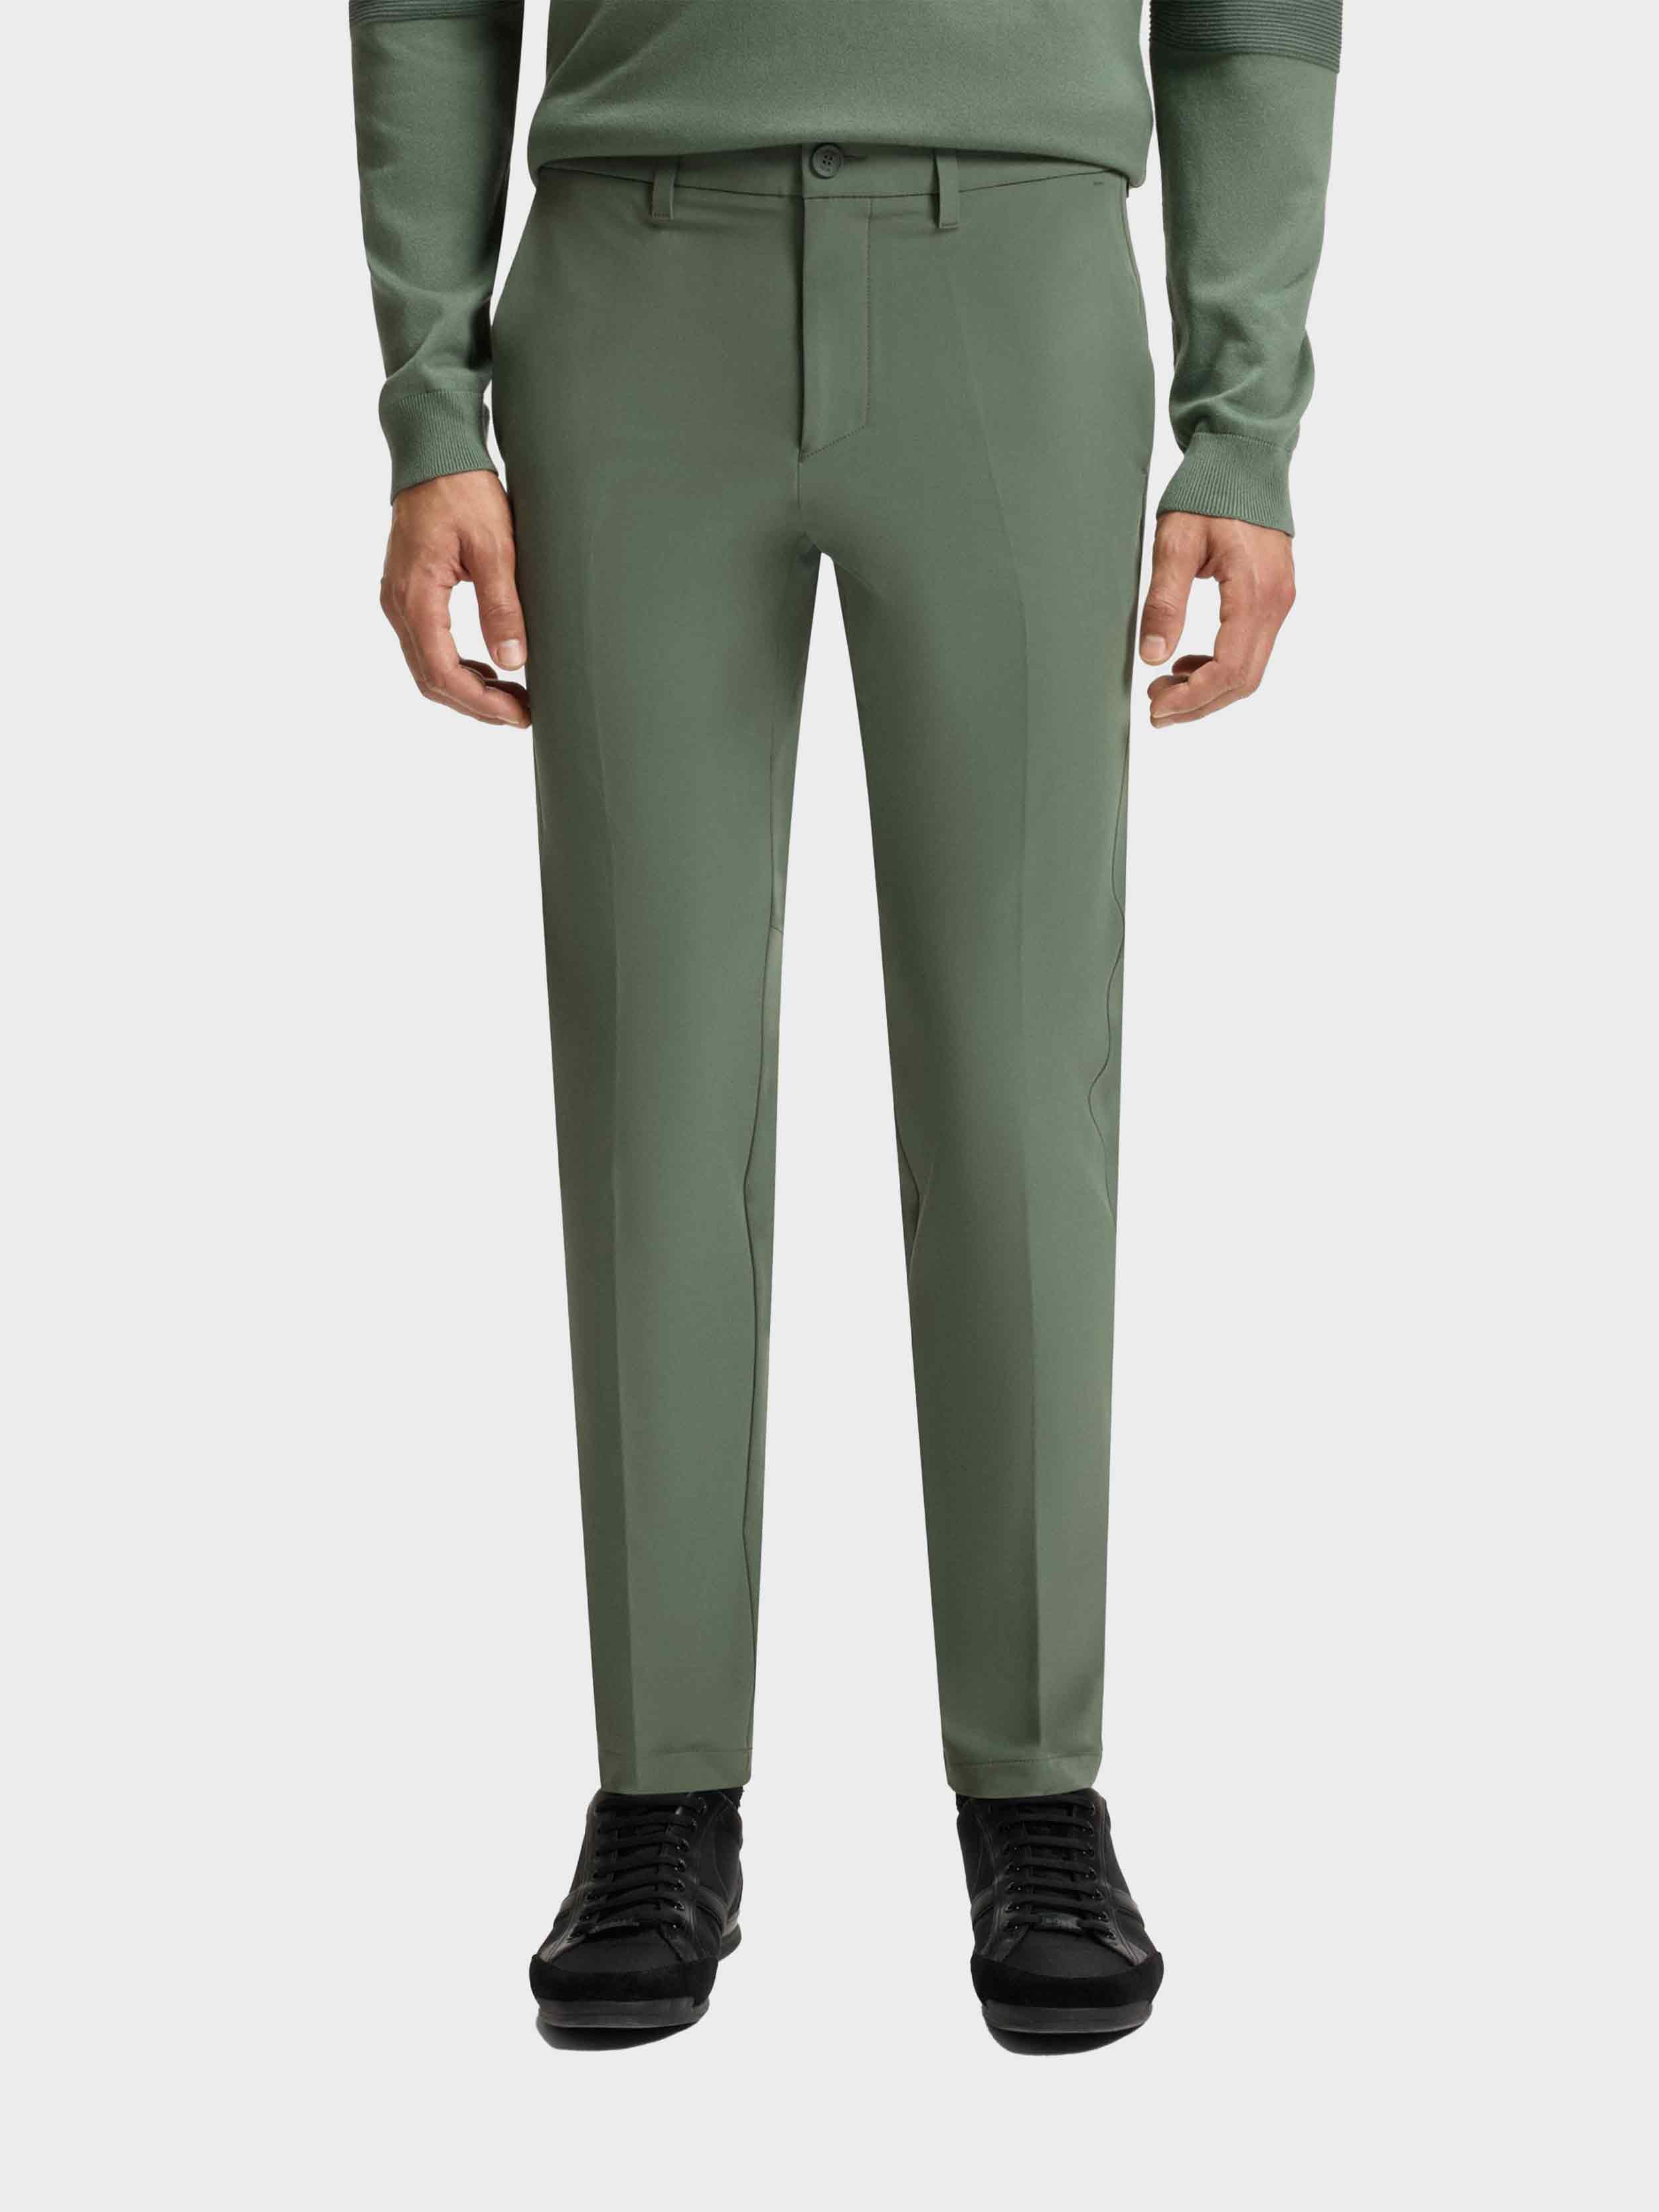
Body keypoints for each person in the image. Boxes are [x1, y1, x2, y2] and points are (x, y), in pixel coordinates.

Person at [349, 0, 1340, 2044]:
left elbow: (1252, 19)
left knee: (1016, 1080)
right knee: (652, 1076)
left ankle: (1034, 1788)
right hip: (631, 290)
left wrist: (1242, 425)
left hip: (1019, 280)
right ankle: (661, 1785)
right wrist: (432, 411)